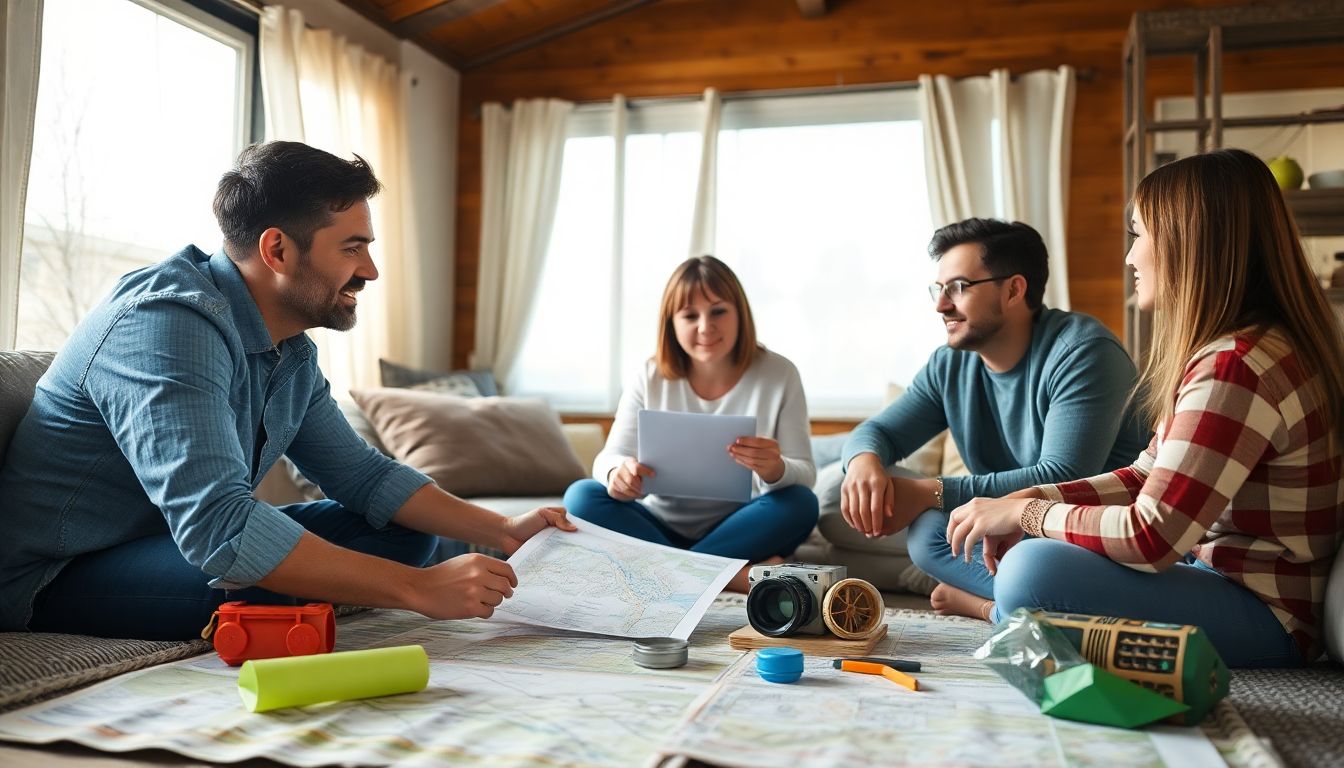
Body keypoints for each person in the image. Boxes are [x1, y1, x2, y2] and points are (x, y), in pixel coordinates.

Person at [0, 141, 574, 640]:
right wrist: (418, 590)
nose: (370, 271)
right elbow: (222, 528)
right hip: (58, 571)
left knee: (404, 532)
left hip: (174, 545)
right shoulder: (166, 324)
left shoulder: (288, 348)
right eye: (352, 248)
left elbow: (363, 476)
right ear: (277, 250)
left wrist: (502, 529)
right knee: (282, 574)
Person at [938, 149, 1344, 668]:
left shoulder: (1237, 366)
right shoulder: (1235, 350)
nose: (1130, 258)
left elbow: (1150, 537)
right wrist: (1028, 497)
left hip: (1267, 617)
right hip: (1210, 576)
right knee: (987, 542)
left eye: (1139, 235)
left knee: (1030, 571)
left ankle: (1002, 613)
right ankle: (1016, 615)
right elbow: (1144, 475)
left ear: (1188, 241)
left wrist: (1027, 513)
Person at [839, 218, 1150, 610]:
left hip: (1093, 534)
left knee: (1000, 550)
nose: (941, 305)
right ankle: (1030, 604)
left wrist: (930, 492)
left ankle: (990, 608)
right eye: (939, 289)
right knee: (929, 530)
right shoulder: (949, 366)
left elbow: (1063, 476)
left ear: (1014, 289)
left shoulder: (1083, 352)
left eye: (959, 288)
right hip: (1017, 530)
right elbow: (879, 430)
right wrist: (863, 461)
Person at [564, 256, 818, 592]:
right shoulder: (650, 375)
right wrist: (617, 474)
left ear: (740, 313)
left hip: (741, 527)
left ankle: (672, 577)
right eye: (689, 316)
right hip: (657, 527)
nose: (704, 327)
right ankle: (725, 577)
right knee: (581, 496)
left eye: (718, 311)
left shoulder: (779, 374)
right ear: (671, 323)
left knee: (801, 503)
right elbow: (608, 458)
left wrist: (776, 469)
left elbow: (805, 473)